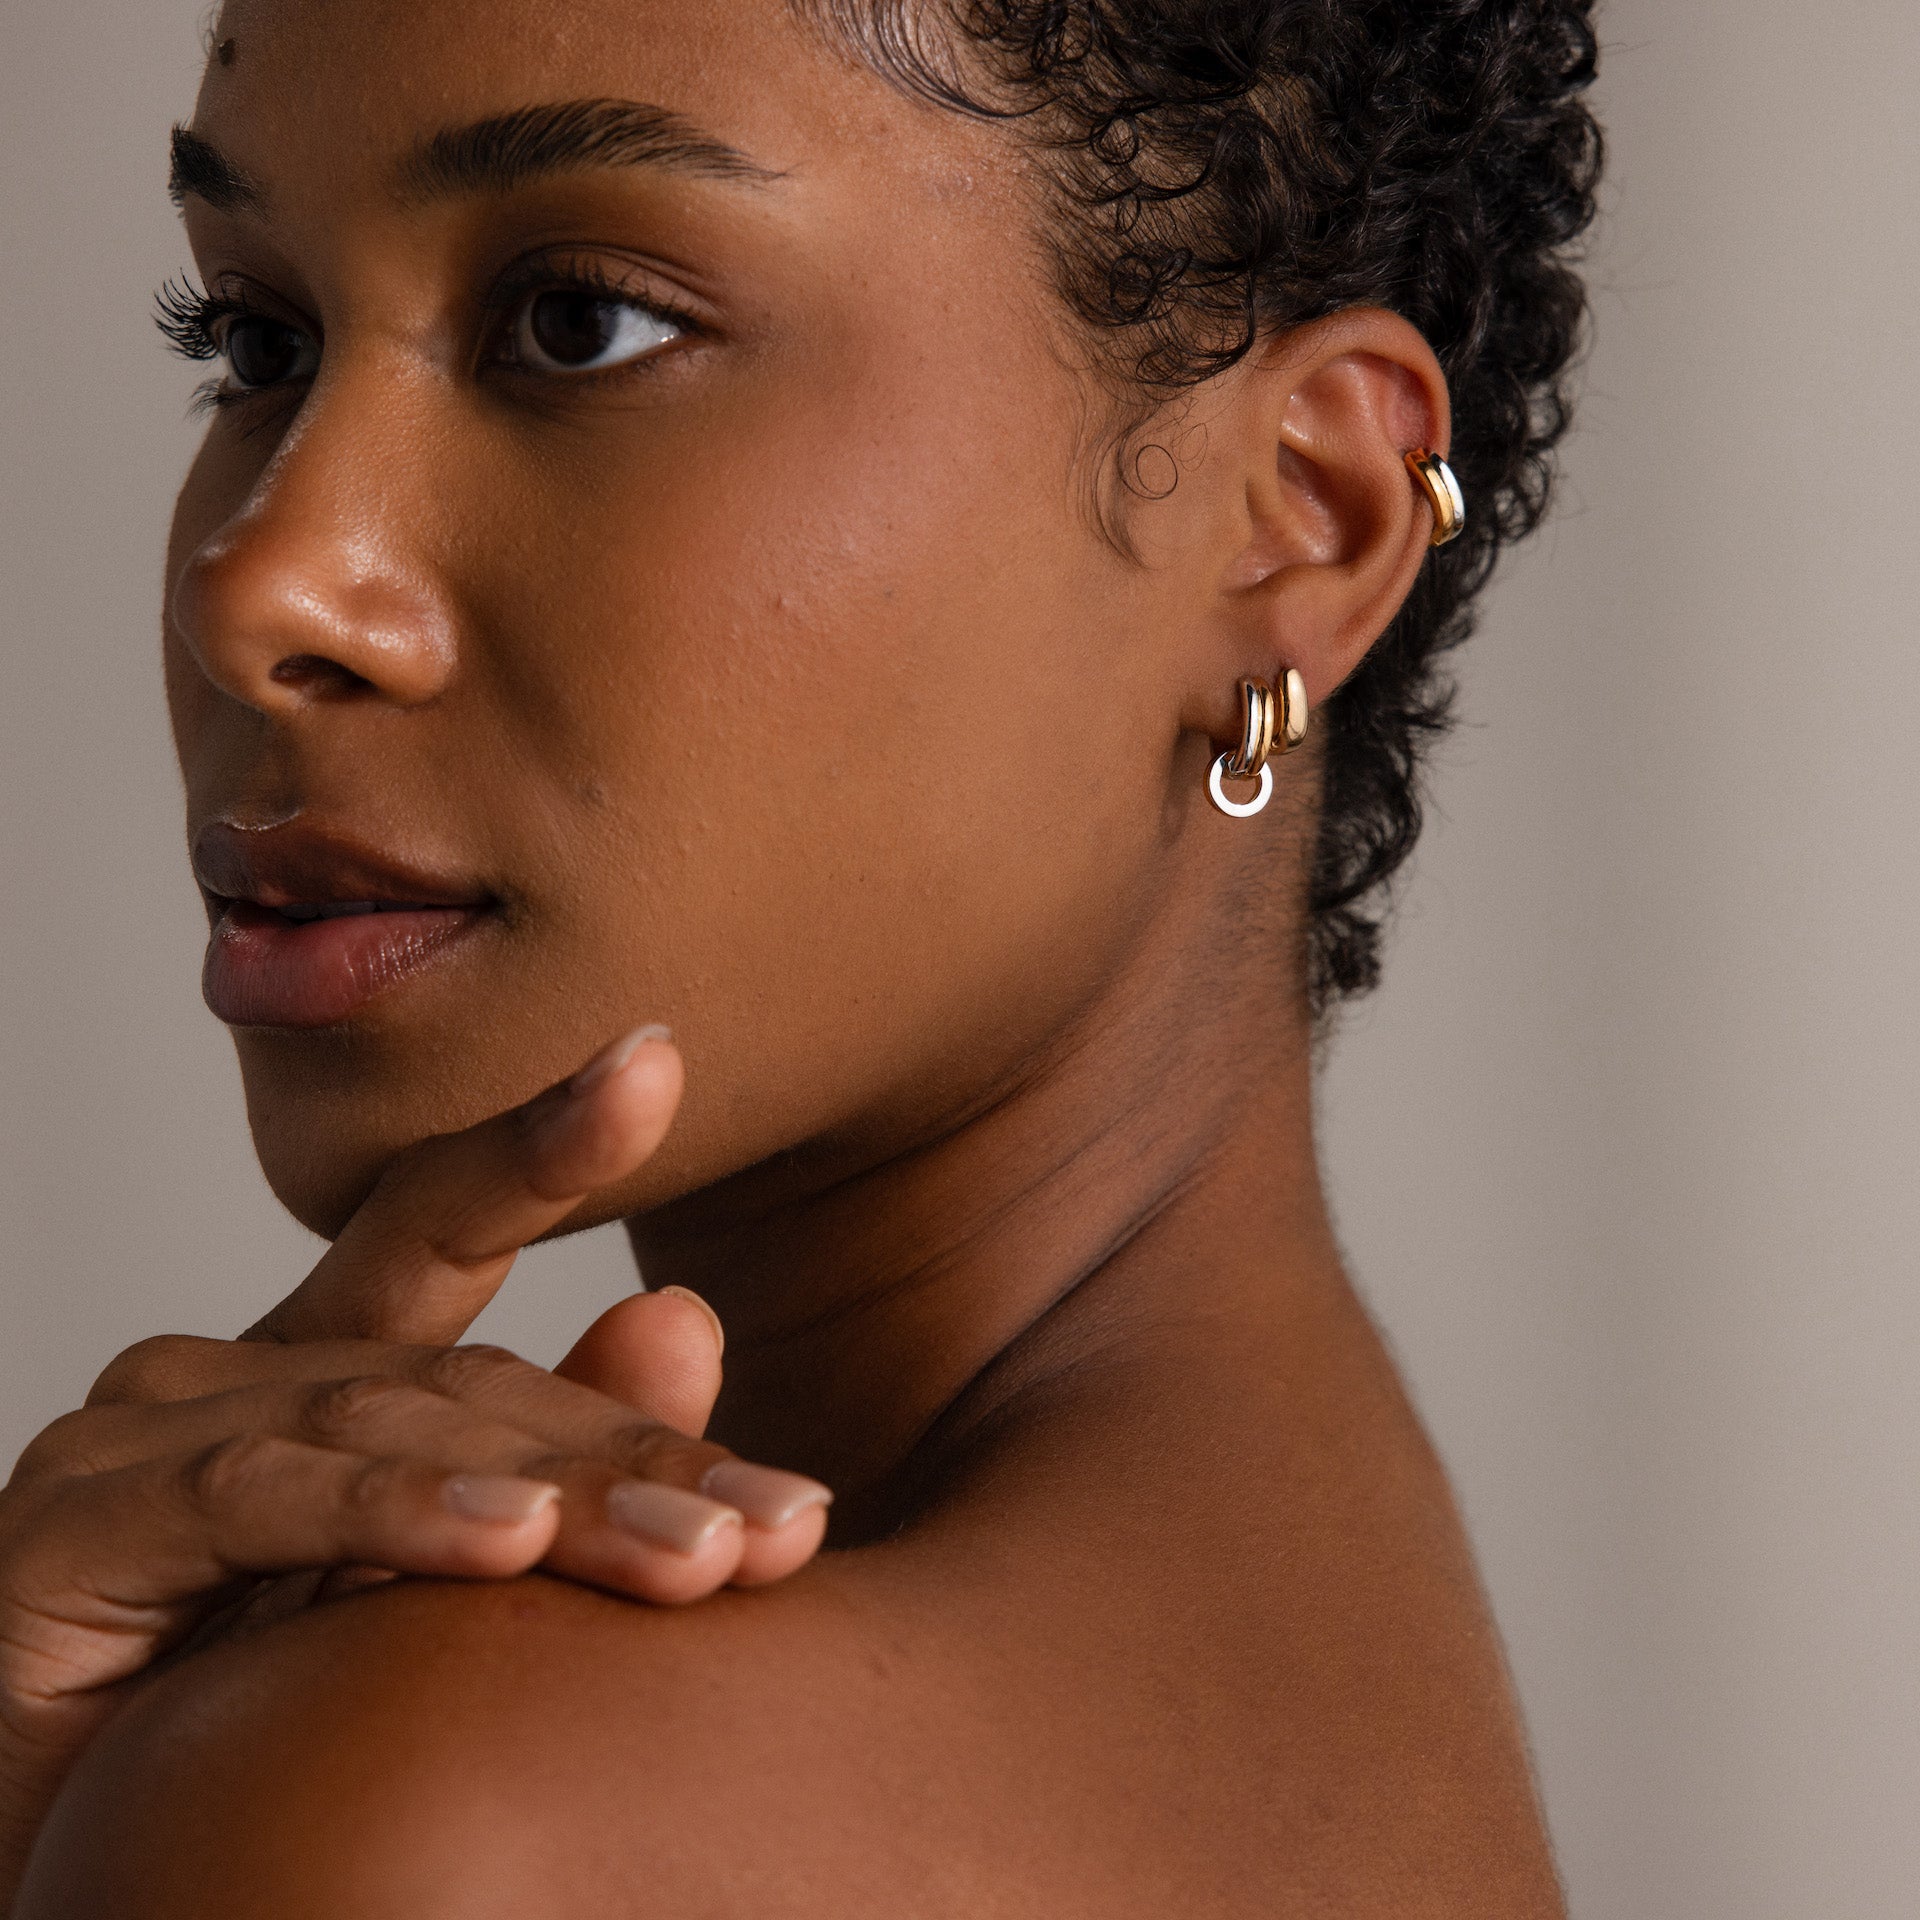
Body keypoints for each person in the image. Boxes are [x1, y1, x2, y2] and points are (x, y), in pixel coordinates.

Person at [2, 0, 1600, 1910]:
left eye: (581, 321)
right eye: (259, 341)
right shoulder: (1347, 1685)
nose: (258, 585)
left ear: (1300, 523)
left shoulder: (446, 1805)